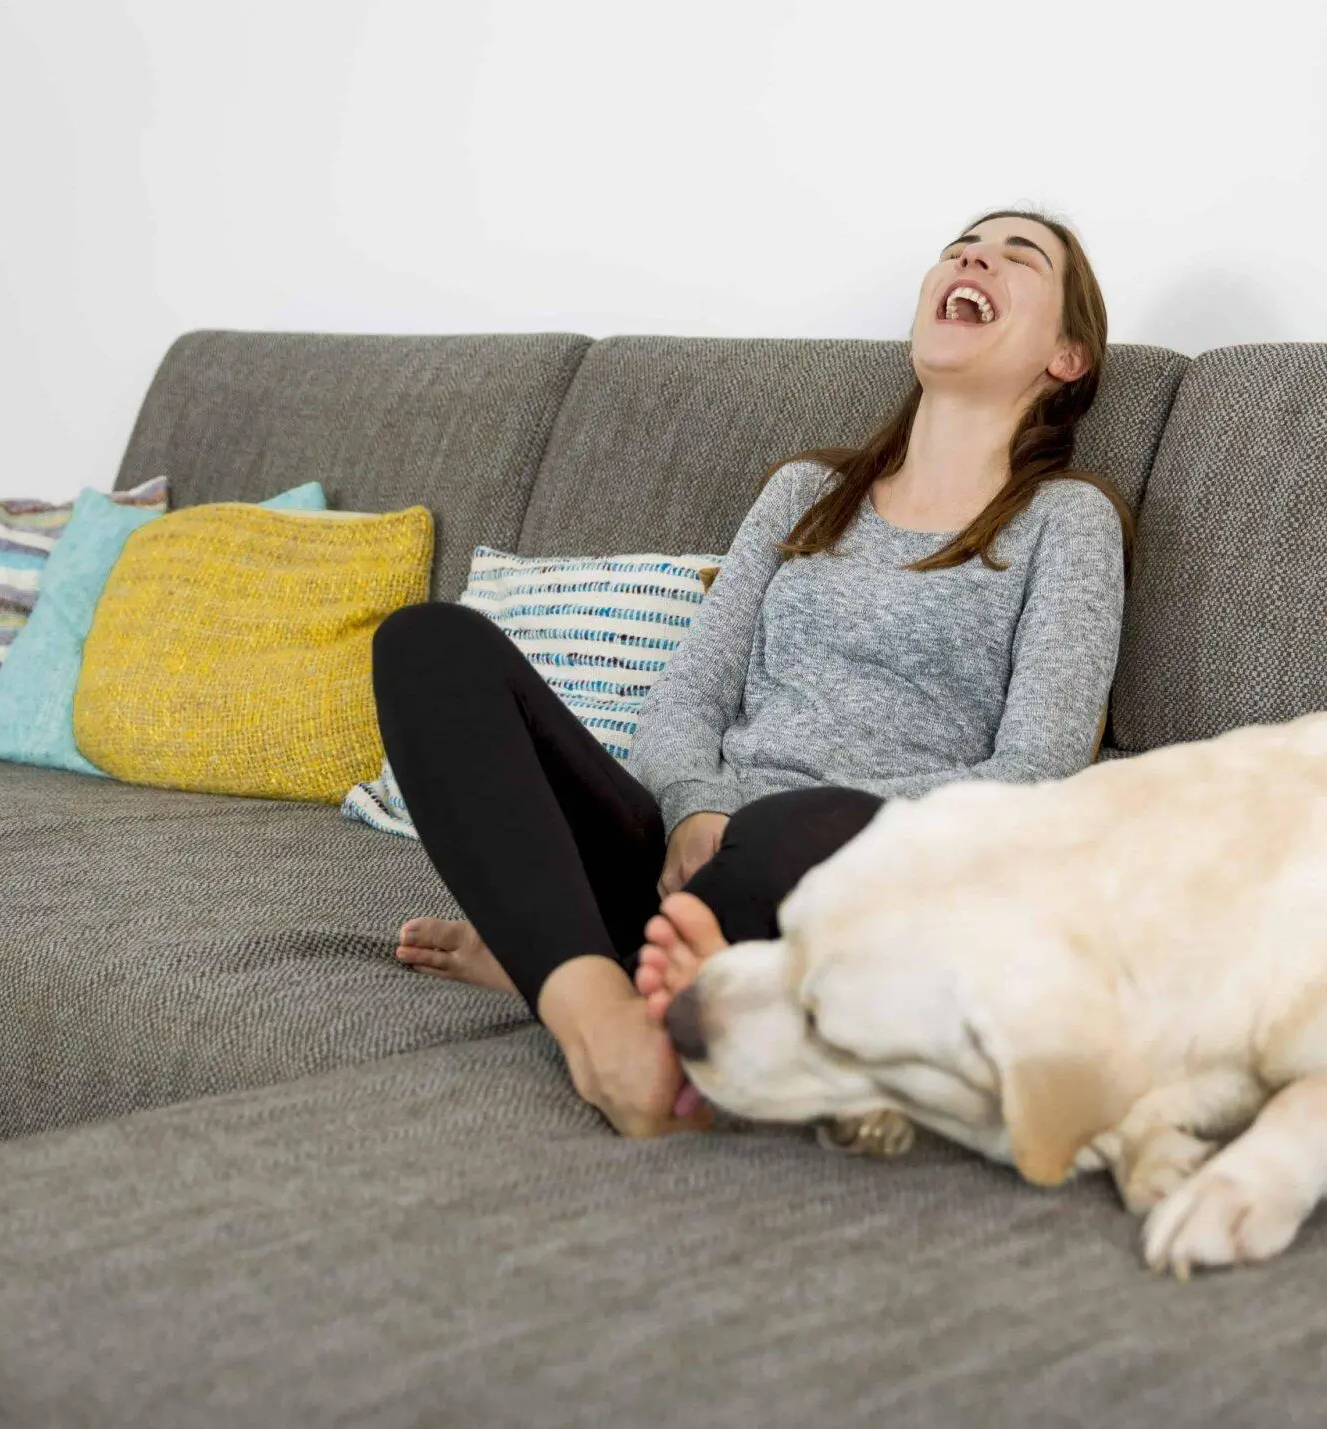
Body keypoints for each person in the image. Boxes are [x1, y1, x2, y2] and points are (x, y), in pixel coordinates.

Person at [372, 209, 1131, 1138]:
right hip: (690, 851)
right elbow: (691, 693)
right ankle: (600, 1013)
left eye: (1020, 257)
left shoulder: (1068, 521)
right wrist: (694, 808)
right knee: (430, 643)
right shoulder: (808, 492)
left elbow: (1041, 769)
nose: (974, 256)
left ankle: (563, 952)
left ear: (1067, 357)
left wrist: (772, 819)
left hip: (858, 862)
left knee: (789, 823)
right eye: (963, 245)